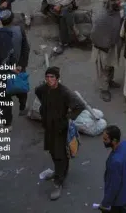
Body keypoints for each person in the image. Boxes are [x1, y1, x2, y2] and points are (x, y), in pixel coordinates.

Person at [35, 67, 84, 200]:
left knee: (60, 154)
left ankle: (59, 181)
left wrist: (67, 119)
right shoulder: (43, 89)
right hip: (48, 126)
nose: (49, 80)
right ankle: (60, 172)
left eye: (52, 77)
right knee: (52, 150)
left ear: (57, 78)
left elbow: (79, 106)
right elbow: (38, 92)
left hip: (60, 128)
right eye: (47, 77)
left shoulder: (65, 93)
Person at [0, 9, 30, 125]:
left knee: (4, 96)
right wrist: (20, 65)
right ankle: (23, 107)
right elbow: (26, 48)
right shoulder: (19, 30)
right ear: (12, 19)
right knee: (21, 87)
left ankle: (7, 122)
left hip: (3, 70)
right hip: (19, 67)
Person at [91, 0, 122, 102]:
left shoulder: (116, 12)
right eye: (117, 1)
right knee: (104, 68)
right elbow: (95, 33)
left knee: (111, 65)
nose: (120, 2)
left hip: (112, 45)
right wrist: (104, 44)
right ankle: (104, 89)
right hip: (102, 47)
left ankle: (110, 81)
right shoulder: (103, 16)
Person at [98, 126, 126, 213]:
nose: (103, 141)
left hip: (119, 201)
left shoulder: (115, 162)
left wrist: (105, 204)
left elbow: (113, 186)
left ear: (114, 141)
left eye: (105, 139)